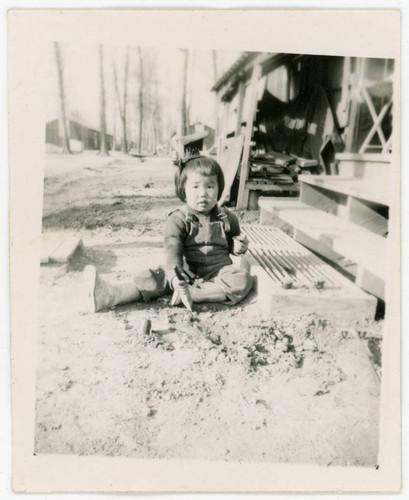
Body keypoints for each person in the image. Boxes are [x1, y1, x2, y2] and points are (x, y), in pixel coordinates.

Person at [83, 155, 253, 313]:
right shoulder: (178, 219)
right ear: (183, 189)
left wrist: (239, 247)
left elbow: (233, 246)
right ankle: (112, 294)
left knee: (242, 279)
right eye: (195, 186)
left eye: (210, 186)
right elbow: (173, 250)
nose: (203, 193)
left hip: (219, 274)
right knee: (155, 276)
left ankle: (192, 294)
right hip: (186, 272)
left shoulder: (228, 218)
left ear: (219, 188)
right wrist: (175, 277)